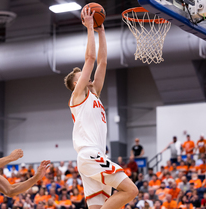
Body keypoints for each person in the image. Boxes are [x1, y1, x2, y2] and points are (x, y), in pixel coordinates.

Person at [64, 8, 138, 209]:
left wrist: (102, 32)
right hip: (89, 154)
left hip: (94, 156)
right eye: (80, 77)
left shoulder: (94, 92)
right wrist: (89, 27)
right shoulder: (77, 96)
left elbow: (102, 62)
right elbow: (90, 59)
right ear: (75, 85)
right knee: (131, 191)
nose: (86, 75)